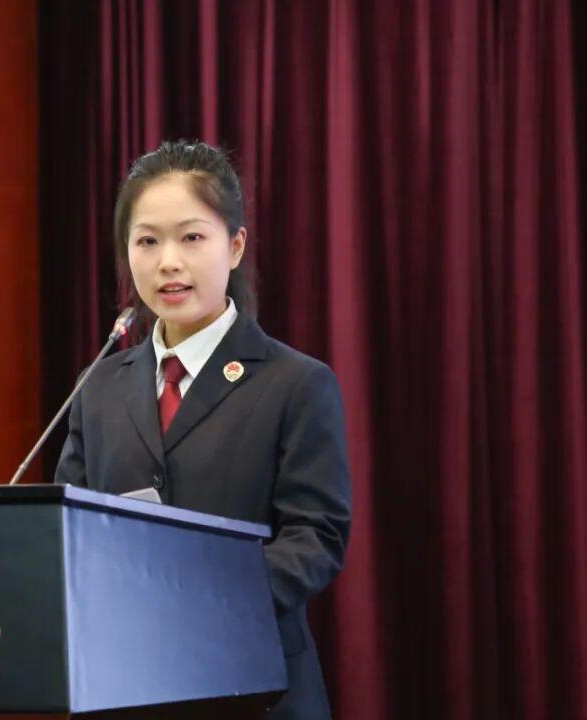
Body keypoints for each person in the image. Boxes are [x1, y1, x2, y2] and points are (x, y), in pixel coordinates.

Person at [54, 140, 352, 720]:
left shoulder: (295, 383)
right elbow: (73, 530)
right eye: (147, 241)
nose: (168, 262)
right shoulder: (100, 386)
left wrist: (201, 599)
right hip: (128, 685)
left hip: (257, 684)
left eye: (191, 238)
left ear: (234, 246)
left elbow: (315, 536)